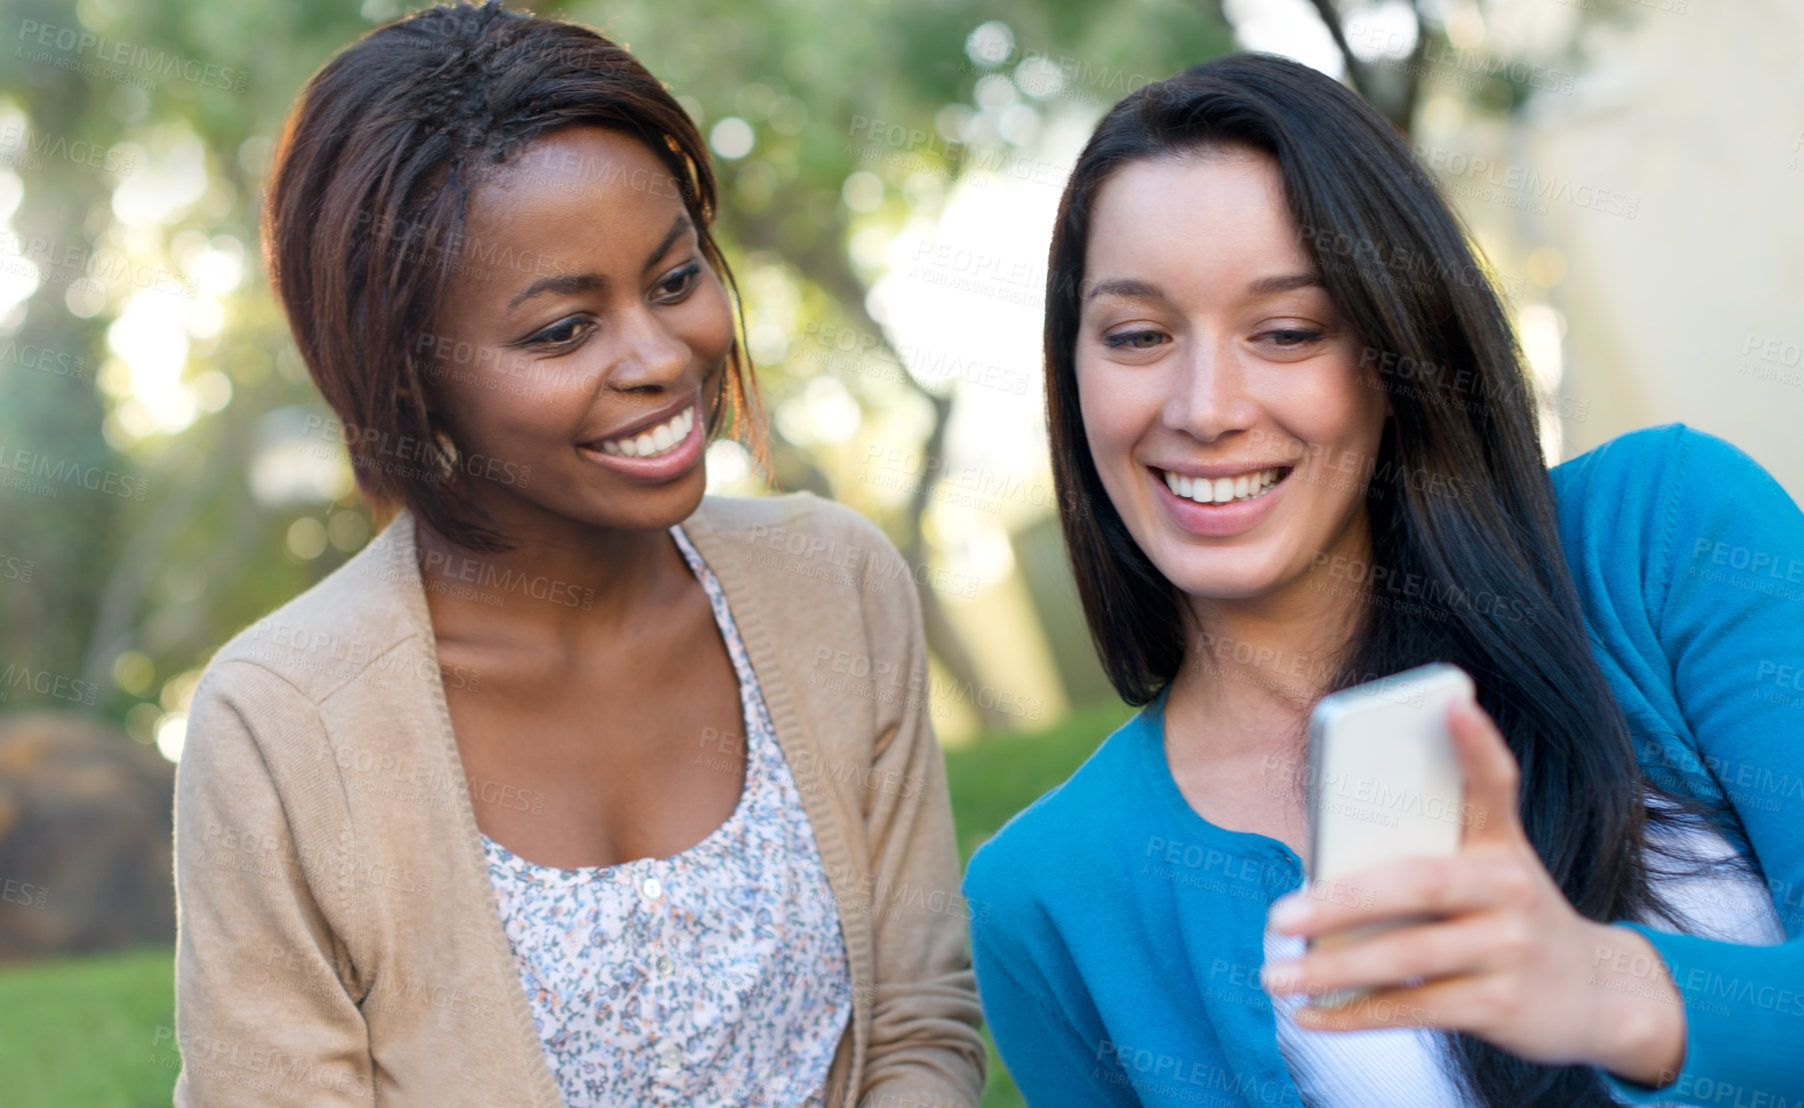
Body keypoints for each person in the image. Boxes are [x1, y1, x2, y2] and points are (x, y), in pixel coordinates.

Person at [171, 4, 984, 1105]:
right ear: (408, 373)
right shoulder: (281, 727)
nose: (660, 356)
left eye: (675, 278)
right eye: (561, 330)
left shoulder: (833, 585)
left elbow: (917, 1023)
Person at [964, 52, 1804, 1107]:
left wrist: (1604, 987)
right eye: (1136, 336)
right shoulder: (1042, 896)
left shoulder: (1665, 532)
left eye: (1287, 331)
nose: (1205, 405)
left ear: (1396, 343)